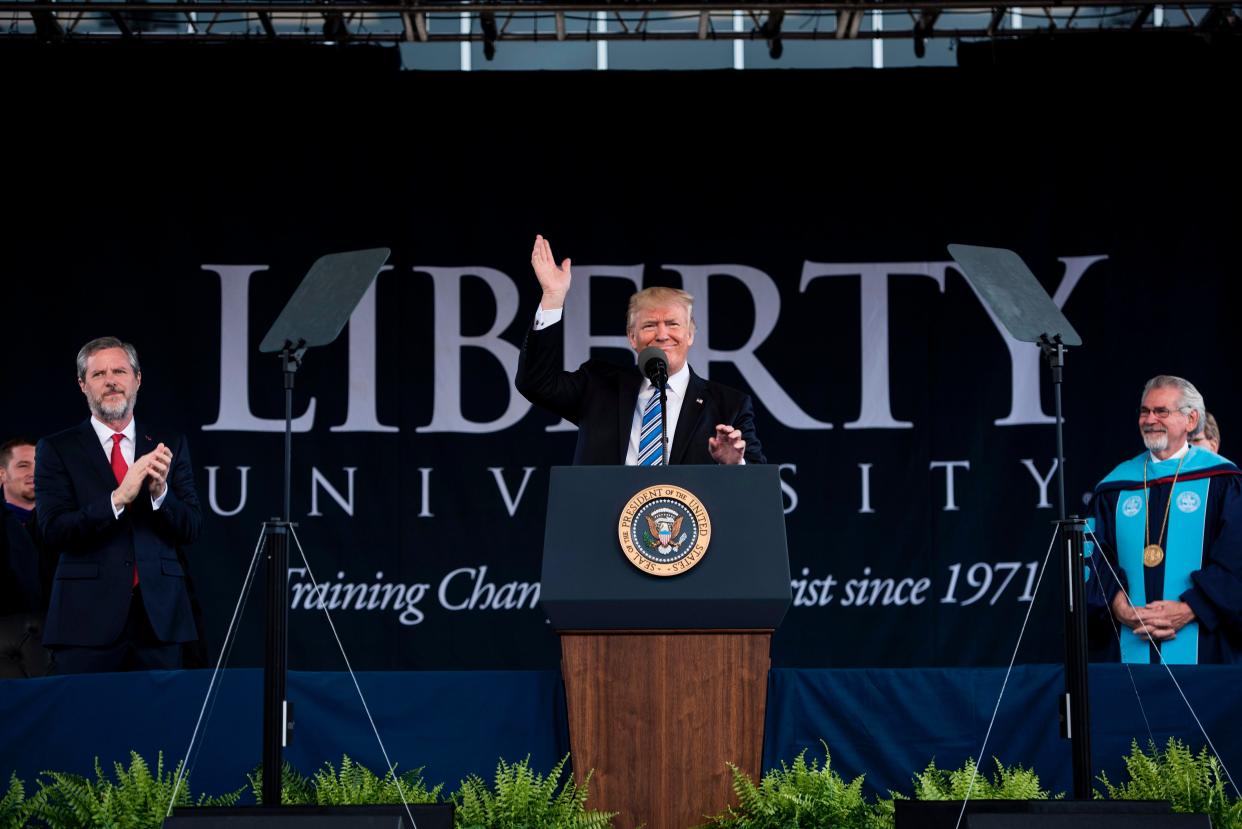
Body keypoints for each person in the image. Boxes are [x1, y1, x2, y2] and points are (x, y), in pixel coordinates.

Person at [515, 235, 764, 465]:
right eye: (649, 325)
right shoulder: (598, 386)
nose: (662, 334)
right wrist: (553, 296)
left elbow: (757, 488)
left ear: (690, 335)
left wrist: (736, 466)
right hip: (605, 513)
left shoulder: (729, 406)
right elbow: (536, 383)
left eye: (673, 324)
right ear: (632, 337)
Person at [36, 337, 202, 673]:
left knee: (160, 725)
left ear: (137, 379)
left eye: (119, 371)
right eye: (98, 375)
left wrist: (160, 495)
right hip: (85, 622)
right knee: (85, 723)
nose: (111, 380)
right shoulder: (57, 448)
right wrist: (117, 499)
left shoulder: (168, 444)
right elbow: (53, 531)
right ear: (83, 385)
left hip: (159, 621)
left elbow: (192, 527)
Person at [1086, 375, 1242, 664]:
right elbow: (1095, 558)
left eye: (1161, 411)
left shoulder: (1223, 481)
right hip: (1129, 643)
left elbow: (1236, 560)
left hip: (1203, 650)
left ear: (1191, 419)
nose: (1150, 419)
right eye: (1145, 411)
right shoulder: (1115, 486)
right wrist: (1121, 609)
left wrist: (1191, 608)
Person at [1, 437, 45, 615]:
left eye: (38, 464)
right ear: (2, 474)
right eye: (23, 465)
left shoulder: (63, 523)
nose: (34, 473)